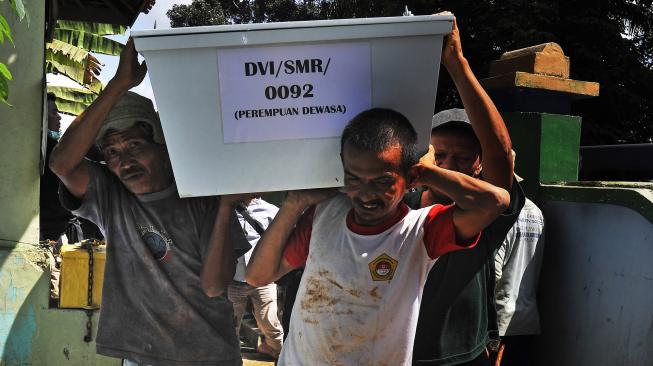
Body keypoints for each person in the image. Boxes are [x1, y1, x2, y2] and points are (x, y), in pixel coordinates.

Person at [234, 107, 510, 365]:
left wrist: (428, 171)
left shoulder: (420, 231)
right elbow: (257, 276)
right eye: (354, 178)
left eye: (382, 181)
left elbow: (495, 201)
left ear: (410, 177)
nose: (365, 194)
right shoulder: (324, 215)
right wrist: (294, 203)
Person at [49, 39, 249, 366]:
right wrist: (118, 85)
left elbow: (214, 287)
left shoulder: (204, 199)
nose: (124, 161)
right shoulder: (110, 195)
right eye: (112, 152)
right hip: (143, 357)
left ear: (164, 149)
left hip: (209, 355)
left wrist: (226, 206)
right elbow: (61, 164)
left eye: (135, 145)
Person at [407, 18, 525, 366]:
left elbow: (500, 154)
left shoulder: (486, 215)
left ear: (478, 166)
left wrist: (457, 64)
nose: (448, 165)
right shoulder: (400, 208)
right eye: (439, 155)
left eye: (462, 157)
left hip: (464, 358)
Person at [228, 197, 284, 358]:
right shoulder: (225, 209)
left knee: (269, 320)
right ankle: (229, 355)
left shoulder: (271, 210)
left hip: (263, 279)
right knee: (231, 323)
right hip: (233, 278)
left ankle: (277, 350)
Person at [494, 196, 545, 366]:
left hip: (499, 320)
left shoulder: (502, 215)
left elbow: (493, 273)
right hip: (527, 319)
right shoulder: (537, 212)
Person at [40, 92, 73, 242]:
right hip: (49, 232)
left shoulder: (48, 148)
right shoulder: (53, 151)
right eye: (54, 112)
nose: (59, 117)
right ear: (43, 117)